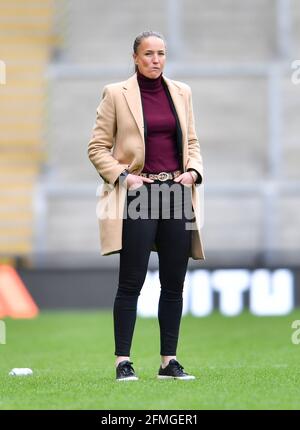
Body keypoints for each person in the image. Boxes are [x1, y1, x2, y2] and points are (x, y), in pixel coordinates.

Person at [88, 30, 205, 381]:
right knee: (131, 283)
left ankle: (169, 361)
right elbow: (96, 147)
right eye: (149, 54)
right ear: (136, 57)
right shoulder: (115, 93)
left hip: (176, 193)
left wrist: (194, 173)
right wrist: (125, 177)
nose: (156, 59)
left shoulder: (182, 92)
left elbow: (193, 142)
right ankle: (123, 361)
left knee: (174, 283)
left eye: (162, 53)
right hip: (139, 194)